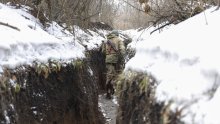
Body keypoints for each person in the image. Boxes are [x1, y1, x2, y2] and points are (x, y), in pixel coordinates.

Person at [100, 30, 126, 99]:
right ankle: (113, 90)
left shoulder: (106, 40)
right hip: (117, 60)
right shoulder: (119, 39)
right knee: (116, 74)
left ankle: (109, 91)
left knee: (110, 75)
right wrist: (122, 57)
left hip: (108, 60)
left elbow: (103, 51)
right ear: (117, 34)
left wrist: (108, 54)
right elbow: (122, 49)